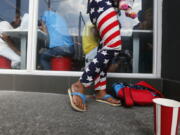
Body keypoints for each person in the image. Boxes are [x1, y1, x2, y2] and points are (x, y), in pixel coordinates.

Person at [68, 0, 137, 112]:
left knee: (104, 49)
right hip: (103, 4)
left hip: (105, 7)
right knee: (113, 45)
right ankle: (80, 84)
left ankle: (101, 91)